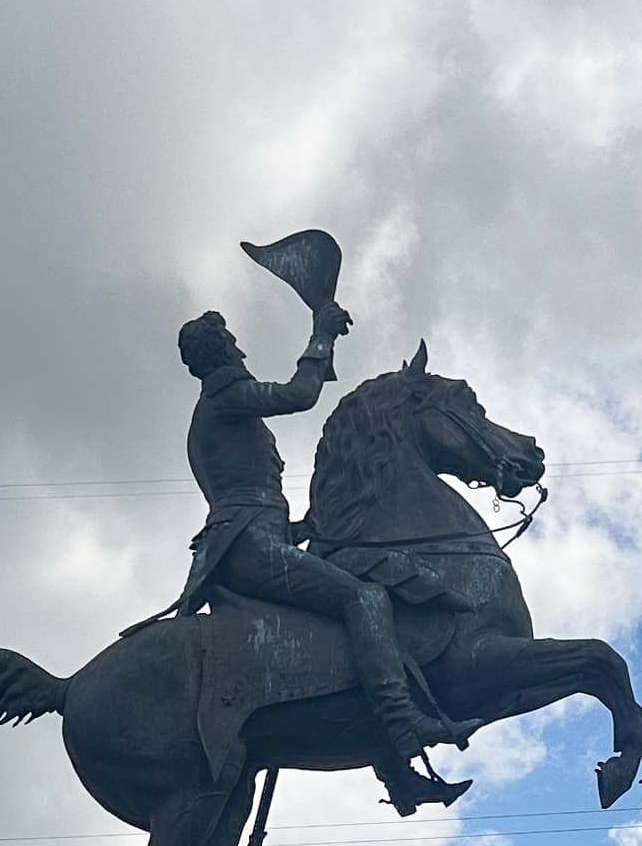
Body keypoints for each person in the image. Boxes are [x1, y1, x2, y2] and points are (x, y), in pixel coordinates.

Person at [168, 305, 467, 814]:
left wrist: (304, 527)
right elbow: (298, 396)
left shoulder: (218, 409)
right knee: (363, 597)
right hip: (247, 547)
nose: (240, 349)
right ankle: (402, 721)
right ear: (219, 352)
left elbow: (250, 495)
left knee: (341, 614)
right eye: (232, 343)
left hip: (261, 536)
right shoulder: (225, 397)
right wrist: (321, 335)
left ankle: (400, 774)